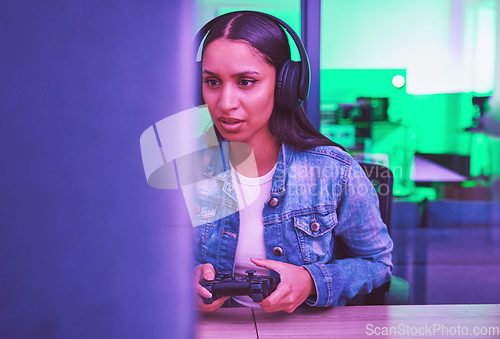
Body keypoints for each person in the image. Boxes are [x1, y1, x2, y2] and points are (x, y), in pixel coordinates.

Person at [191, 11, 393, 313]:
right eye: (212, 82)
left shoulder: (335, 172)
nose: (225, 103)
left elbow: (378, 264)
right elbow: (154, 258)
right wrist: (184, 281)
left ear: (286, 85)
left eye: (246, 81)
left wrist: (312, 281)